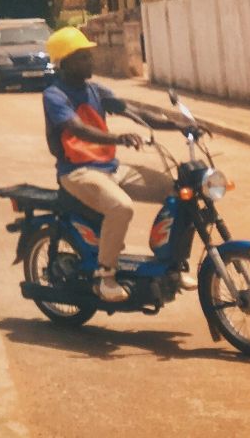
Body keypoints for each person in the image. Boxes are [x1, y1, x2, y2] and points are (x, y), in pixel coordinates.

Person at [41, 26, 196, 302]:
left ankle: (173, 264)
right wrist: (118, 137)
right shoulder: (55, 95)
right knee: (121, 207)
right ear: (65, 63)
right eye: (83, 56)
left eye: (89, 55)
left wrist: (181, 125)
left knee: (176, 191)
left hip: (109, 168)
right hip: (77, 172)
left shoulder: (95, 89)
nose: (91, 61)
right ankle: (105, 276)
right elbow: (77, 129)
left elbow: (135, 111)